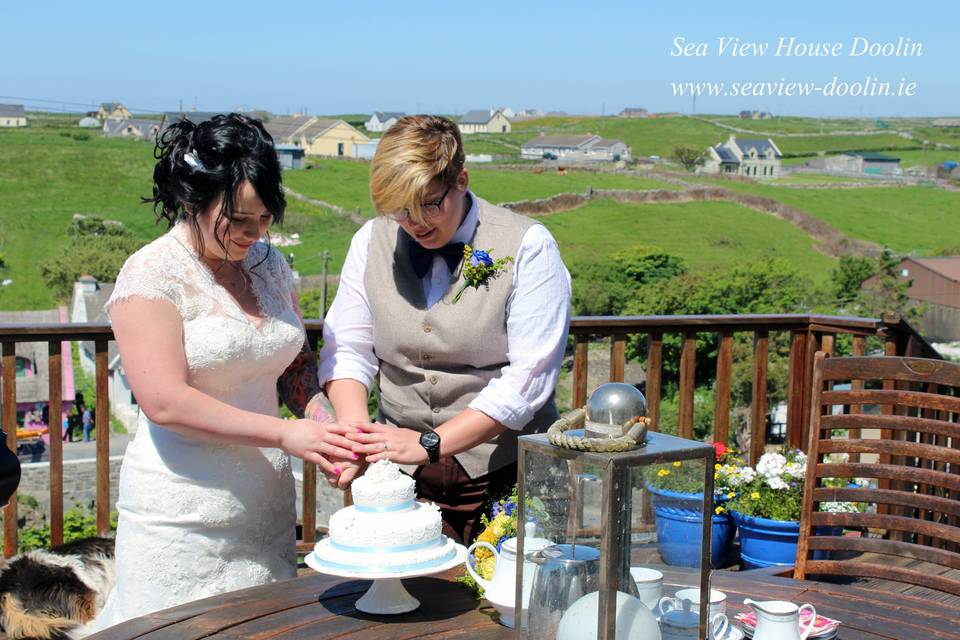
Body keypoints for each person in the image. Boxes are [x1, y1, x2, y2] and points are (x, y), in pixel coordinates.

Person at [87, 113, 352, 632]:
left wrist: (322, 419)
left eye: (265, 220)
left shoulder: (270, 265)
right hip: (182, 517)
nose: (256, 235)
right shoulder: (151, 274)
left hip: (263, 507)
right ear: (194, 200)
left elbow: (292, 361)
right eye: (239, 221)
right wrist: (284, 433)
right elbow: (164, 401)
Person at [319, 115, 571, 544]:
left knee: (502, 604)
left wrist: (430, 443)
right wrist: (359, 438)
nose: (415, 224)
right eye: (401, 211)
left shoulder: (529, 245)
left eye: (430, 205)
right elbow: (348, 348)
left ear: (461, 180)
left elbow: (528, 380)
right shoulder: (370, 240)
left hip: (506, 472)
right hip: (399, 480)